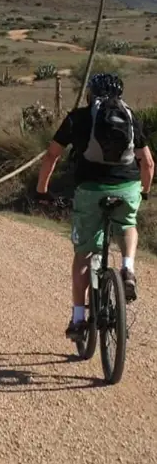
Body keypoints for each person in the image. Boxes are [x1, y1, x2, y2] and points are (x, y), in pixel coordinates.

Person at [35, 73, 155, 341]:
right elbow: (147, 162)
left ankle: (78, 320)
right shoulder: (130, 115)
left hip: (89, 190)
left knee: (84, 254)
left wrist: (42, 190)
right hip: (127, 187)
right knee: (127, 224)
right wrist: (144, 192)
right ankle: (127, 267)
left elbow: (51, 155)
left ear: (90, 93)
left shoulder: (77, 117)